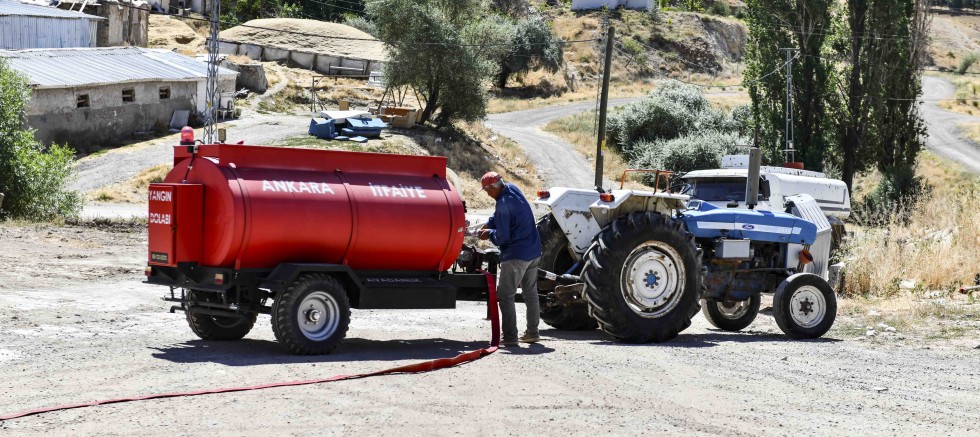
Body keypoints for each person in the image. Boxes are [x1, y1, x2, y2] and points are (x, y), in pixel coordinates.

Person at [478, 171, 542, 346]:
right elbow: (505, 215)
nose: (487, 194)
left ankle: (510, 336)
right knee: (530, 293)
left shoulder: (503, 203)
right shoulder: (512, 188)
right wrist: (491, 222)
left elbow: (503, 238)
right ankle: (533, 333)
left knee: (506, 295)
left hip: (516, 255)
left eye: (486, 190)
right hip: (533, 250)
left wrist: (489, 234)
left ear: (493, 187)